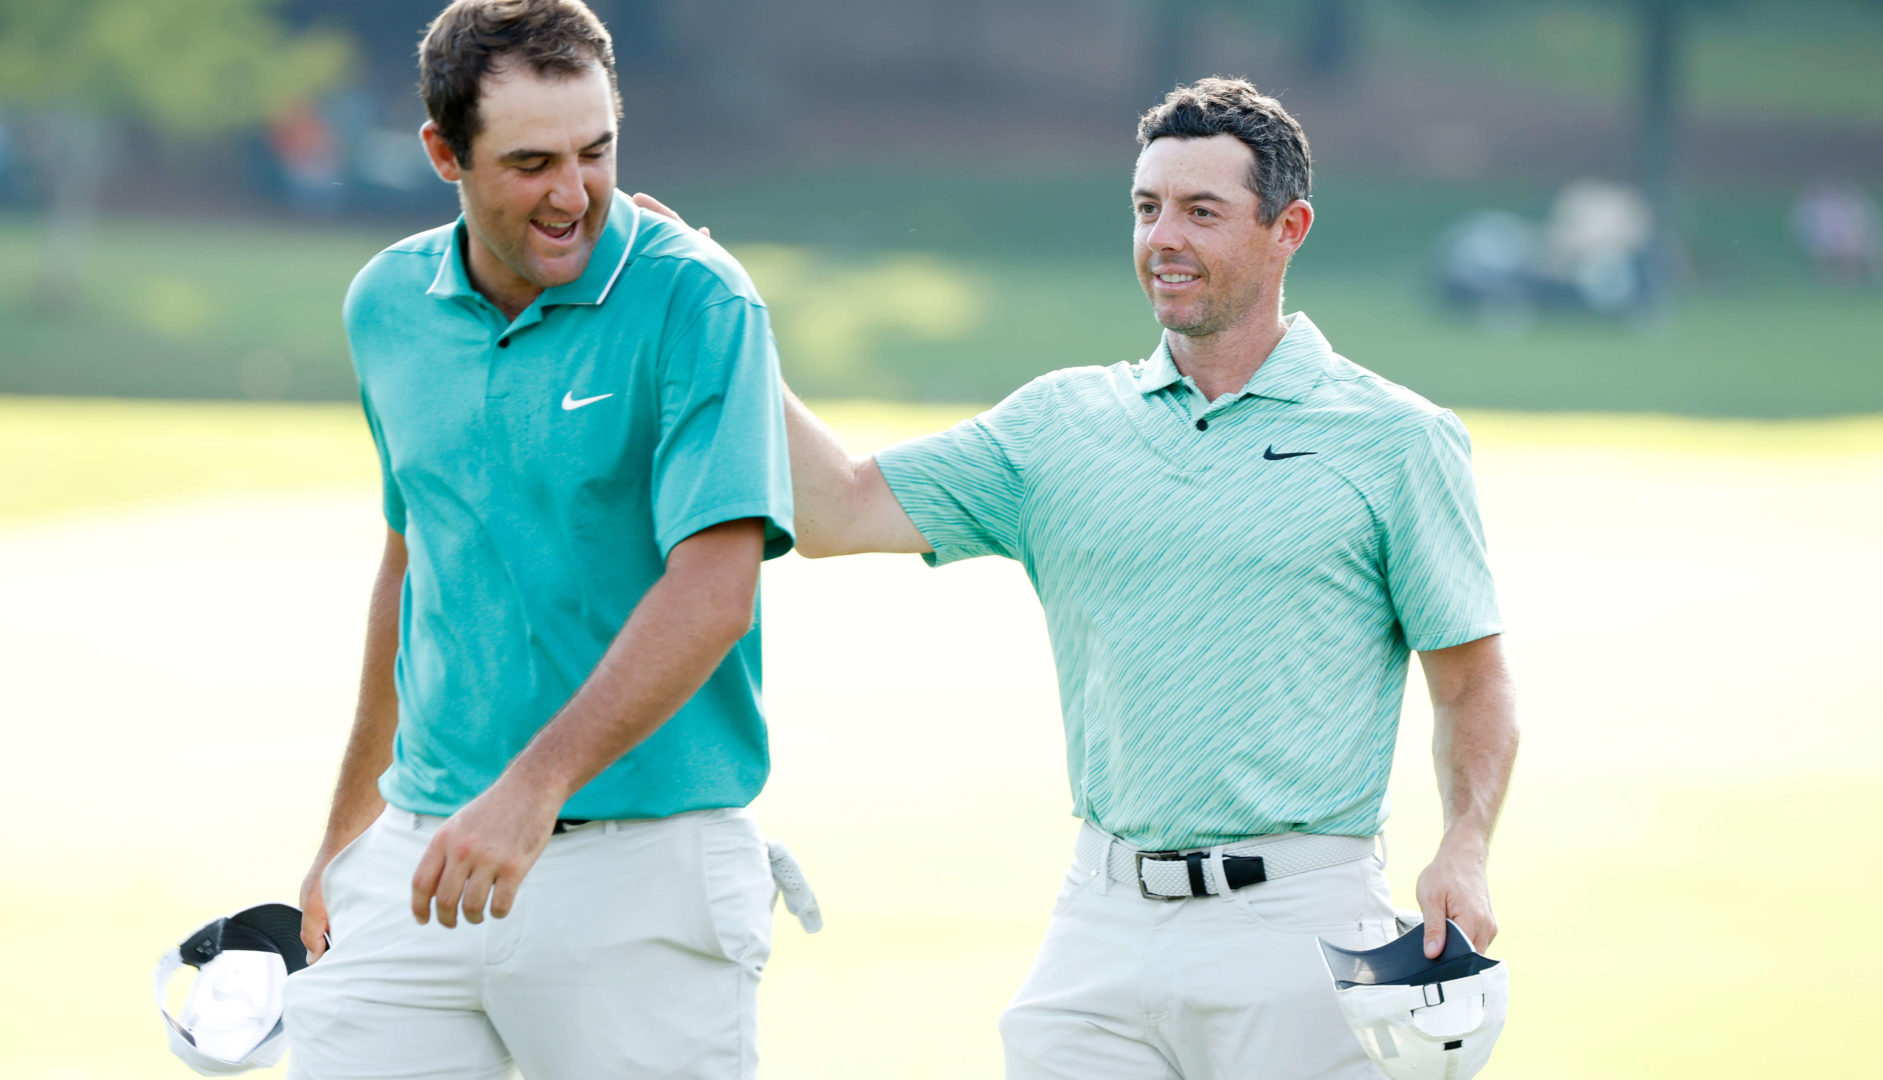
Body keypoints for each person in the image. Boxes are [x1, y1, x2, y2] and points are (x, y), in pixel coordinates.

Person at [777, 77, 1519, 1079]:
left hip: (1303, 930)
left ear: (1286, 228)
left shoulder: (1396, 440)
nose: (1163, 236)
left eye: (1200, 211)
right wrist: (723, 316)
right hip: (1099, 925)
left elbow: (1471, 681)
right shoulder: (1055, 427)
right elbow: (834, 510)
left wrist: (1464, 844)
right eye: (1147, 207)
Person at [284, 2, 805, 1077]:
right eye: (531, 162)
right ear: (443, 153)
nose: (575, 194)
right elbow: (412, 560)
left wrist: (531, 792)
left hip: (640, 877)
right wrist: (345, 838)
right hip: (419, 861)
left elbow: (714, 593)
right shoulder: (385, 304)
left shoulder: (700, 301)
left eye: (597, 151)